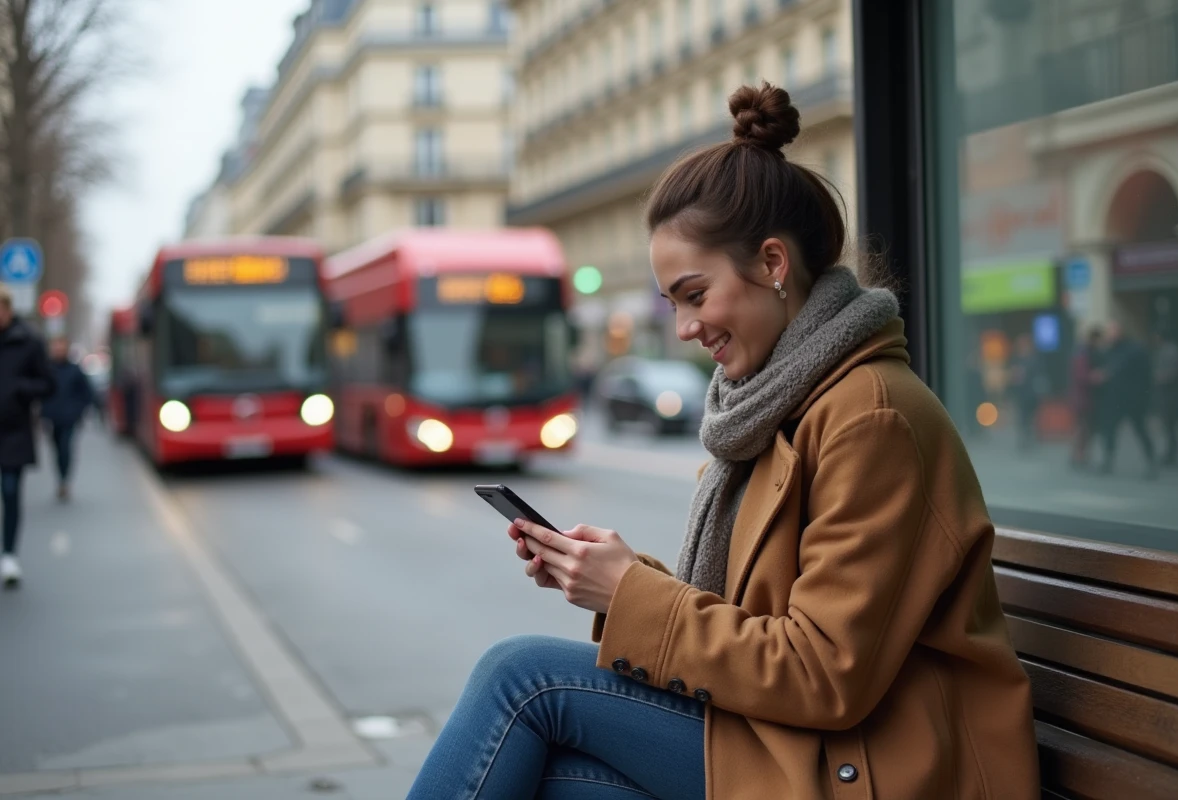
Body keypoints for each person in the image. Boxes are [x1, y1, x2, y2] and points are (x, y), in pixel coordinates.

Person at [407, 84, 1039, 800]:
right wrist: (611, 582)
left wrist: (632, 593)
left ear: (773, 264)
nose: (683, 327)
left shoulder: (871, 417)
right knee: (555, 783)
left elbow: (822, 672)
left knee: (520, 679)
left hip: (876, 766)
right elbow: (757, 624)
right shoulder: (775, 406)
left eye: (694, 294)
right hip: (800, 742)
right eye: (673, 302)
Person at [0, 285, 56, 588]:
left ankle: (9, 555)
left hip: (13, 432)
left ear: (8, 310)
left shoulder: (28, 342)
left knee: (10, 491)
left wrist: (22, 390)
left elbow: (48, 384)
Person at [1094, 322, 1157, 479]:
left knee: (1140, 430)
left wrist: (1145, 397)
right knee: (1110, 430)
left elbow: (1144, 374)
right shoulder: (1109, 351)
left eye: (1112, 331)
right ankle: (1108, 461)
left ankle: (1151, 461)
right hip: (1114, 399)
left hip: (1133, 399)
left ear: (1121, 332)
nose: (1109, 335)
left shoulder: (1134, 349)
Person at [41, 337, 99, 501]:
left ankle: (64, 481)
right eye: (56, 347)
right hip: (52, 419)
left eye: (61, 347)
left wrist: (78, 411)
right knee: (57, 450)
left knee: (66, 449)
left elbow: (87, 393)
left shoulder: (75, 370)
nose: (58, 350)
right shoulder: (47, 369)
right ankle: (61, 478)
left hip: (69, 418)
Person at [1069, 326, 1104, 468]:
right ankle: (1079, 456)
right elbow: (1081, 376)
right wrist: (1094, 377)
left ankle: (1080, 456)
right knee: (1083, 429)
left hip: (1086, 398)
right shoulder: (1083, 353)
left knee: (1085, 429)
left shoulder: (1086, 352)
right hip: (1083, 399)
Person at [1150, 329, 1178, 468]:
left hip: (1171, 394)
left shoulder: (1171, 351)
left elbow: (1172, 373)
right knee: (1168, 425)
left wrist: (1158, 377)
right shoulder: (1166, 350)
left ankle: (1172, 453)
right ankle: (1171, 453)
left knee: (1170, 425)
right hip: (1167, 393)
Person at [1008, 333, 1043, 451]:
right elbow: (1013, 376)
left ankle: (1029, 439)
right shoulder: (1016, 359)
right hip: (1020, 393)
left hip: (1031, 393)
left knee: (1030, 418)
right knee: (1022, 418)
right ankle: (1024, 440)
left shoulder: (1033, 360)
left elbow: (1037, 376)